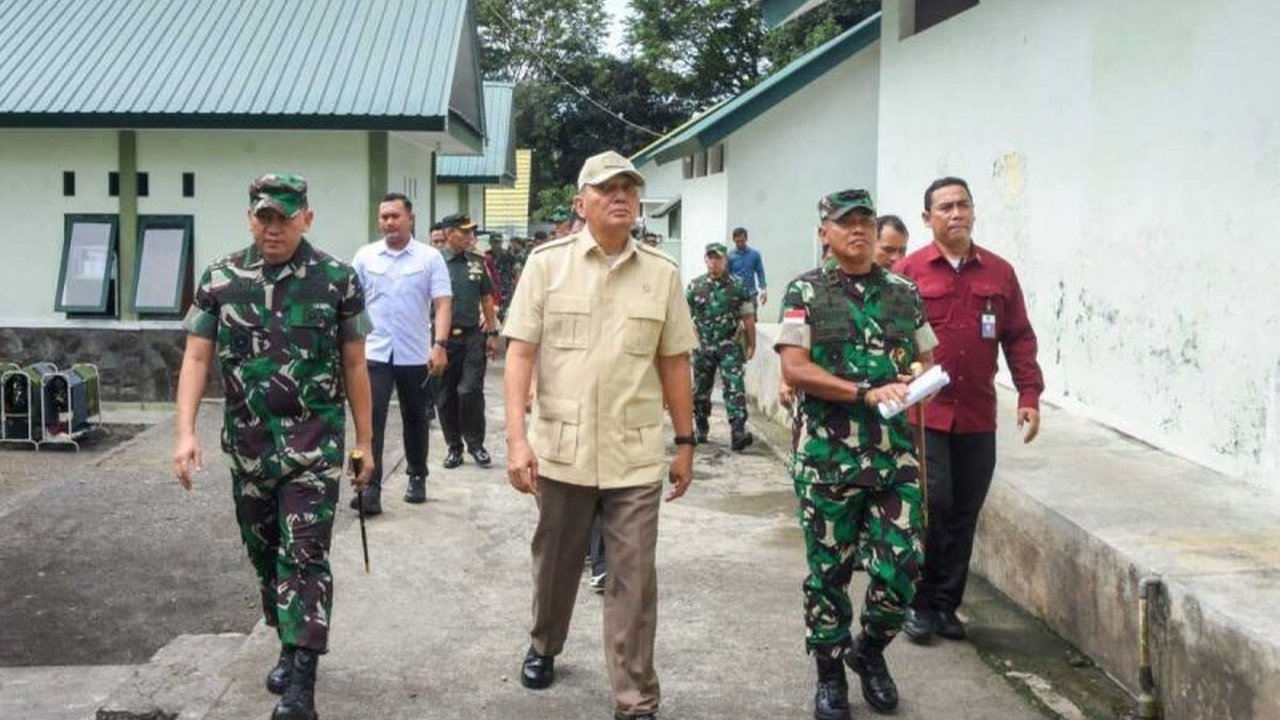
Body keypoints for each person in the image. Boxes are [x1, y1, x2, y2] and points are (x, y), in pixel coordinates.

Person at [502, 150, 699, 720]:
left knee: (634, 580)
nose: (620, 197)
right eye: (607, 188)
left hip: (633, 453)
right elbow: (520, 355)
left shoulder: (661, 274)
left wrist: (684, 443)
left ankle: (635, 699)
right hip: (560, 450)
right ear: (580, 202)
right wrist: (517, 440)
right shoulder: (547, 264)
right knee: (557, 562)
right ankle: (544, 641)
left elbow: (674, 364)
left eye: (629, 189)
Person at [172, 174, 374, 720]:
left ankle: (301, 686)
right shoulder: (220, 278)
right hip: (249, 449)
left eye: (285, 217)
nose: (274, 227)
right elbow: (195, 358)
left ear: (306, 218)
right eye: (265, 216)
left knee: (304, 557)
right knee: (267, 558)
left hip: (314, 448)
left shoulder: (337, 280)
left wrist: (366, 443)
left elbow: (355, 363)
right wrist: (186, 432)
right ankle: (288, 641)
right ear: (250, 219)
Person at [774, 188, 936, 720]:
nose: (859, 230)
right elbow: (795, 368)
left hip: (894, 458)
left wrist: (914, 382)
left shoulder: (903, 292)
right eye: (846, 223)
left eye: (866, 221)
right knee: (830, 574)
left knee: (901, 570)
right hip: (827, 459)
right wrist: (866, 392)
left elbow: (924, 359)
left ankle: (868, 652)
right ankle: (828, 675)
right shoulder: (804, 291)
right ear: (825, 232)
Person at [894, 177, 1044, 644]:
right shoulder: (908, 273)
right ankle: (917, 603)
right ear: (927, 219)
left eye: (963, 205)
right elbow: (887, 339)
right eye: (945, 207)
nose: (955, 214)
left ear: (974, 212)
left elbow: (1018, 336)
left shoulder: (998, 273)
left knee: (965, 510)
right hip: (926, 414)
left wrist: (1028, 395)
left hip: (977, 413)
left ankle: (945, 606)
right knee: (932, 504)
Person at [350, 193, 452, 513]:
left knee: (416, 417)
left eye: (395, 216)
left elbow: (442, 303)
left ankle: (417, 476)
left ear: (411, 218)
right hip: (375, 353)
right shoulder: (365, 257)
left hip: (414, 353)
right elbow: (351, 304)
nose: (389, 222)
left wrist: (440, 344)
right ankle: (370, 489)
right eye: (384, 217)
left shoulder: (429, 258)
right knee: (371, 420)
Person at [436, 213, 500, 469]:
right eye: (464, 231)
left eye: (470, 232)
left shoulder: (477, 262)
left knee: (469, 390)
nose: (469, 236)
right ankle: (454, 447)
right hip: (443, 339)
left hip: (473, 335)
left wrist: (493, 334)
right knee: (446, 395)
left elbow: (486, 299)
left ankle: (476, 444)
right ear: (449, 233)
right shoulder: (435, 262)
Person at [686, 241, 756, 450]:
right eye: (711, 257)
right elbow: (682, 317)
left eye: (719, 258)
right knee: (700, 390)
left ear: (726, 260)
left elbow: (748, 316)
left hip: (729, 345)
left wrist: (752, 343)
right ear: (706, 259)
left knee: (735, 387)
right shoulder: (695, 286)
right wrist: (689, 339)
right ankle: (701, 425)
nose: (715, 262)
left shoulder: (738, 285)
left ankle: (738, 432)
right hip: (703, 346)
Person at [727, 226, 768, 313]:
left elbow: (760, 272)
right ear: (733, 240)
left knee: (751, 321)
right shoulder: (729, 256)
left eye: (742, 241)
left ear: (746, 239)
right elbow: (726, 275)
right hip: (735, 294)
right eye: (737, 241)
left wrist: (763, 289)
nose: (740, 244)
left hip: (751, 294)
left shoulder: (755, 254)